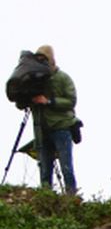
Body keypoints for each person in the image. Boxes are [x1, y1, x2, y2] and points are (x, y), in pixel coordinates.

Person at [20, 45, 79, 194]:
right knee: (45, 169)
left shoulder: (63, 78)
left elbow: (71, 101)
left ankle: (71, 197)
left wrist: (48, 101)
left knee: (66, 167)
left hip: (62, 127)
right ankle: (46, 197)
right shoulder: (36, 79)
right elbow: (21, 104)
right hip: (42, 130)